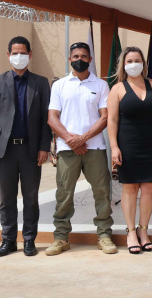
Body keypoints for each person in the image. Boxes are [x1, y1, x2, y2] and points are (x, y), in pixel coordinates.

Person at [45, 42, 116, 256]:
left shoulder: (102, 85)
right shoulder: (60, 85)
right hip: (67, 150)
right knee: (64, 193)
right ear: (69, 59)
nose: (80, 59)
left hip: (94, 147)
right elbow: (52, 117)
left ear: (90, 60)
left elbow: (105, 117)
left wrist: (83, 138)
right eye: (76, 56)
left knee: (102, 191)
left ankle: (104, 235)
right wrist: (70, 139)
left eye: (84, 56)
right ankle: (61, 238)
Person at [0, 36, 52, 257]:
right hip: (5, 151)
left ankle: (29, 240)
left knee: (31, 197)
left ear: (30, 55)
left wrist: (44, 147)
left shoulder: (40, 82)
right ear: (8, 55)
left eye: (23, 53)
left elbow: (45, 119)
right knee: (7, 197)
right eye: (15, 53)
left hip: (31, 151)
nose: (19, 57)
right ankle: (8, 240)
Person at [108, 46, 152, 254]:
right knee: (130, 189)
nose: (133, 64)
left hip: (150, 143)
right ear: (123, 64)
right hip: (127, 144)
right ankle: (130, 231)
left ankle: (143, 231)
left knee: (149, 189)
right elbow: (112, 120)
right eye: (129, 61)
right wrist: (114, 147)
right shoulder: (117, 89)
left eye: (137, 60)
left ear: (144, 63)